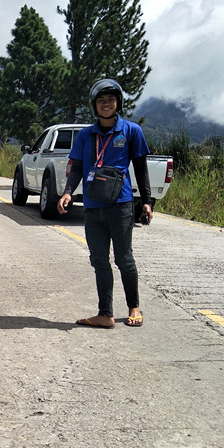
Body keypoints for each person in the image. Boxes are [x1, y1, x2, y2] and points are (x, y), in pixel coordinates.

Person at [57, 78, 154, 329]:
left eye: (110, 99)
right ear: (94, 105)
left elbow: (141, 168)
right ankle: (105, 313)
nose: (106, 104)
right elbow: (77, 167)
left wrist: (146, 201)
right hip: (92, 206)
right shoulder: (86, 135)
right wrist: (68, 192)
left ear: (118, 102)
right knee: (99, 260)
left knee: (124, 259)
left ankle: (134, 306)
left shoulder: (131, 131)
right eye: (101, 100)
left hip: (120, 205)